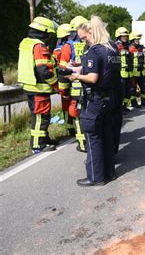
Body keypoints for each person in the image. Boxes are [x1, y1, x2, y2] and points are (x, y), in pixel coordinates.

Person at [67, 16, 121, 186]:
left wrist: (76, 76)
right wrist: (80, 67)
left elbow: (92, 77)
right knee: (106, 136)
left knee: (93, 138)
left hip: (95, 99)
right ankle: (109, 172)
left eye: (84, 37)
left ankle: (95, 177)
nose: (84, 41)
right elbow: (103, 69)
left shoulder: (94, 50)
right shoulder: (112, 49)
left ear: (91, 32)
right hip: (109, 98)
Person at [17, 16, 58, 154]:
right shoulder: (39, 46)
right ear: (44, 32)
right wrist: (55, 83)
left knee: (38, 116)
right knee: (42, 117)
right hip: (39, 87)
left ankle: (44, 140)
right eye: (49, 34)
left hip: (29, 86)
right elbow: (43, 70)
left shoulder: (26, 43)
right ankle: (38, 145)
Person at [58, 15, 89, 152]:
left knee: (77, 116)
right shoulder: (91, 44)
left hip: (76, 89)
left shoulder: (68, 46)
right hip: (91, 87)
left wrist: (63, 92)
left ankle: (83, 144)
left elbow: (63, 72)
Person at [53, 23, 75, 137]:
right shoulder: (60, 50)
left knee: (69, 103)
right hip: (64, 78)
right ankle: (70, 127)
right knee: (68, 103)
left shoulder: (59, 49)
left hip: (66, 78)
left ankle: (71, 126)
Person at [129, 32, 145, 107]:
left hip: (141, 71)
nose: (138, 40)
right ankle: (133, 102)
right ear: (132, 39)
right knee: (133, 88)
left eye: (139, 39)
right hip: (133, 72)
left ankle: (144, 101)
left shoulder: (140, 48)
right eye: (136, 39)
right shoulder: (130, 48)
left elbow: (142, 60)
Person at [115, 27, 133, 110]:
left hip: (129, 73)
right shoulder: (116, 46)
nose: (125, 37)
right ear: (118, 36)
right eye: (123, 36)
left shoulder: (128, 46)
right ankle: (119, 108)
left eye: (126, 36)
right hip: (120, 73)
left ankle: (124, 106)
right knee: (120, 92)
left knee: (128, 92)